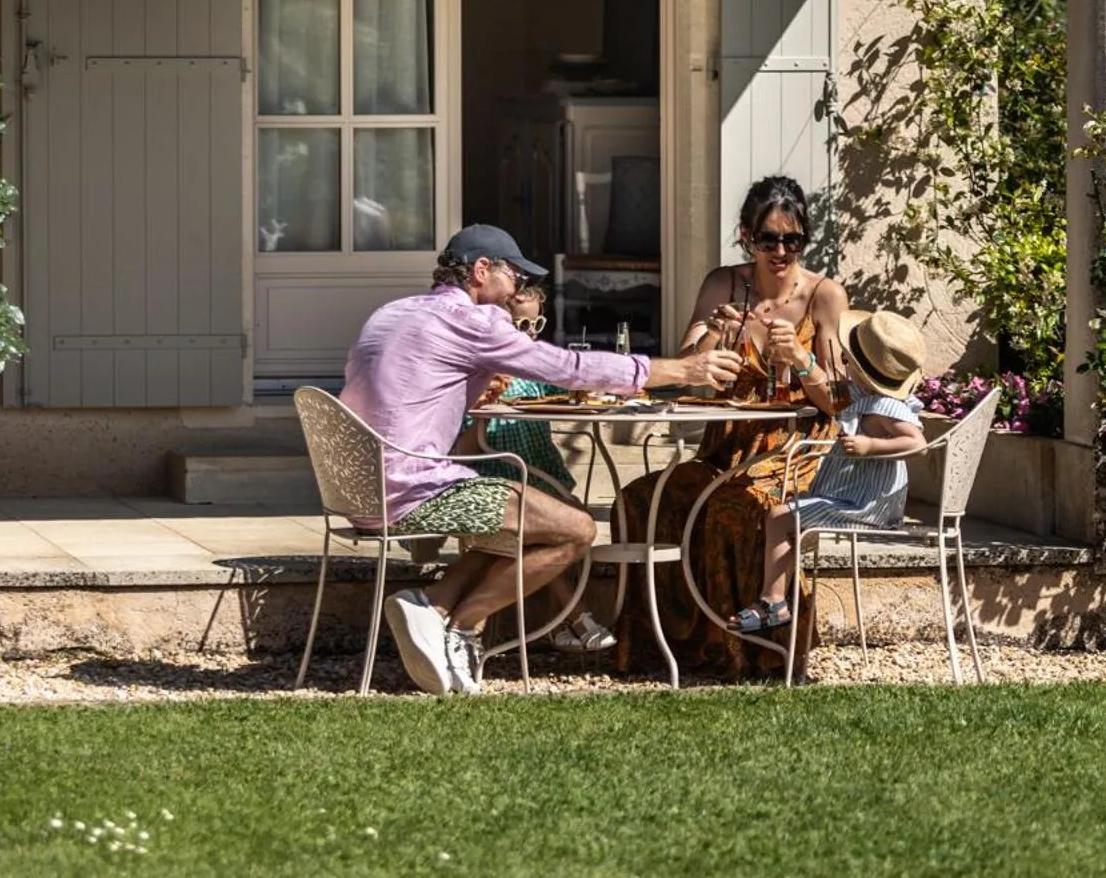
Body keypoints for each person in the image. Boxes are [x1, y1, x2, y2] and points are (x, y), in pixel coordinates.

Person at [339, 224, 740, 696]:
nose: (514, 293)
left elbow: (408, 393)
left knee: (525, 518)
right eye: (512, 276)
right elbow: (566, 369)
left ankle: (437, 604)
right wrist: (676, 369)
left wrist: (471, 386)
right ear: (481, 270)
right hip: (413, 490)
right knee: (575, 529)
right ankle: (463, 627)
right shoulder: (473, 321)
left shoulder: (391, 313)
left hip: (358, 489)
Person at [612, 175, 849, 680]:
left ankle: (752, 653)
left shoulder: (825, 296)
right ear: (747, 236)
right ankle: (661, 646)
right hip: (726, 448)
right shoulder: (724, 284)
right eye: (769, 239)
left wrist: (802, 360)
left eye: (793, 239)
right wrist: (716, 333)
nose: (781, 251)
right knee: (640, 501)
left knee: (731, 507)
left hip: (796, 451)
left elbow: (837, 399)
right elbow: (685, 375)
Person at [733, 310, 928, 633]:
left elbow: (918, 444)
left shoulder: (885, 406)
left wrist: (870, 446)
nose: (844, 363)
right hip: (851, 497)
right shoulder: (865, 396)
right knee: (782, 511)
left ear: (862, 370)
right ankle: (777, 592)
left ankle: (774, 600)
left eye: (848, 360)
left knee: (779, 517)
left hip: (864, 507)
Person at [464, 284, 617, 655]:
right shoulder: (484, 372)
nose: (530, 333)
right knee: (544, 530)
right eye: (520, 325)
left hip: (539, 468)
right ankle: (577, 616)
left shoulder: (533, 370)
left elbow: (564, 387)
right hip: (498, 471)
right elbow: (466, 438)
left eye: (537, 324)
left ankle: (558, 623)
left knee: (572, 518)